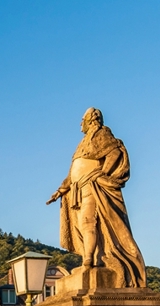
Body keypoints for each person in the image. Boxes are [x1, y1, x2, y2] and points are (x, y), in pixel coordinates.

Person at [47, 108, 146, 287]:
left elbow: (115, 152)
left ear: (92, 120)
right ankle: (92, 258)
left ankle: (89, 261)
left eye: (82, 119)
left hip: (93, 186)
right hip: (78, 189)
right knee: (80, 225)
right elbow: (72, 172)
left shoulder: (102, 133)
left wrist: (101, 173)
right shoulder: (83, 142)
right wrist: (61, 190)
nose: (80, 124)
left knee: (88, 222)